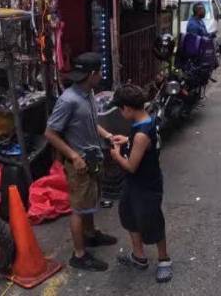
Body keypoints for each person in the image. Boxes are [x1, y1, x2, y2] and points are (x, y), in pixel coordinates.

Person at [45, 53, 119, 272]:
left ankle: (90, 235)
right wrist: (74, 156)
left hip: (92, 160)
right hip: (79, 164)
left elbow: (91, 122)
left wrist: (106, 135)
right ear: (92, 74)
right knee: (78, 208)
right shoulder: (68, 100)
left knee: (90, 201)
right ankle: (79, 254)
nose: (101, 75)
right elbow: (50, 133)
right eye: (99, 72)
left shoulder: (88, 93)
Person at [110, 84, 172, 283]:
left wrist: (116, 154)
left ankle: (164, 260)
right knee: (128, 214)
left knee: (152, 221)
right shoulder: (146, 120)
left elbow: (130, 166)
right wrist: (126, 140)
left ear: (128, 108)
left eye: (121, 109)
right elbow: (139, 144)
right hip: (134, 184)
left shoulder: (141, 134)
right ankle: (139, 256)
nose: (120, 113)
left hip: (146, 184)